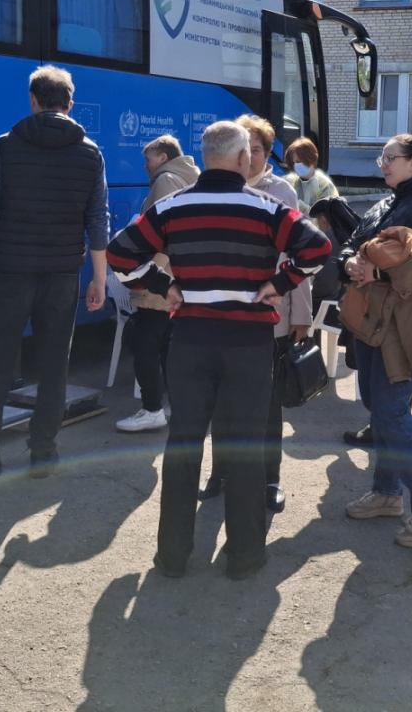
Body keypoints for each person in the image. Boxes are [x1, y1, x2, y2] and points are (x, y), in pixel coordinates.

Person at [106, 120, 330, 579]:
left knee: (183, 443)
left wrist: (163, 285)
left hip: (190, 340)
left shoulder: (172, 206)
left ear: (205, 156)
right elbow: (318, 249)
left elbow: (120, 254)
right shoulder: (268, 209)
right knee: (245, 445)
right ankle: (244, 557)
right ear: (244, 157)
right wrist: (279, 284)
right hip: (248, 344)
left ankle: (172, 557)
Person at [0, 66, 108, 478]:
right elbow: (98, 218)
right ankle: (43, 452)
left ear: (33, 100)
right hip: (62, 274)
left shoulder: (6, 145)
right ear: (70, 104)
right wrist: (99, 277)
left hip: (11, 270)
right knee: (54, 363)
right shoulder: (90, 153)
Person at [340, 133, 412, 548]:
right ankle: (388, 493)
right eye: (382, 158)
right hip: (377, 317)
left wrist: (378, 272)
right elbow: (351, 244)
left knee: (391, 409)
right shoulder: (386, 204)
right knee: (380, 406)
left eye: (391, 157)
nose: (383, 164)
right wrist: (350, 263)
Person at [198, 116, 313, 513]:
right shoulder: (213, 189)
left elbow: (300, 255)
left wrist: (301, 315)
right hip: (222, 314)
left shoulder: (281, 192)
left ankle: (269, 478)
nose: (249, 157)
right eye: (245, 149)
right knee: (221, 402)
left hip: (269, 315)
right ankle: (221, 472)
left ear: (264, 153)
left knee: (267, 406)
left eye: (257, 150)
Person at [115, 134, 198, 434]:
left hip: (160, 283)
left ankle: (152, 409)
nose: (145, 166)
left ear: (163, 158)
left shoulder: (165, 181)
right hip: (180, 278)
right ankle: (176, 406)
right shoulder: (191, 177)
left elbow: (165, 235)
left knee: (145, 346)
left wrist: (147, 276)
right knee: (168, 349)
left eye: (148, 159)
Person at [284, 137, 339, 212]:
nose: (296, 165)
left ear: (310, 159)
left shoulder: (325, 186)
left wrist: (299, 206)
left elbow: (326, 217)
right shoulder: (293, 182)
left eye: (298, 161)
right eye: (293, 163)